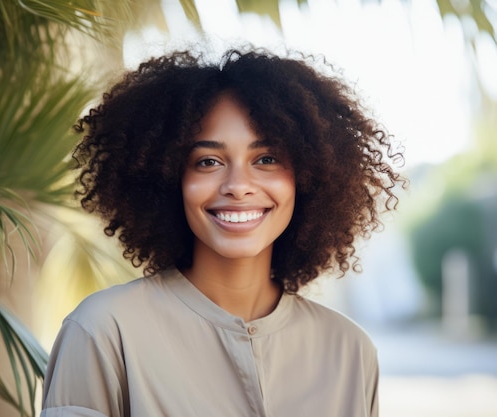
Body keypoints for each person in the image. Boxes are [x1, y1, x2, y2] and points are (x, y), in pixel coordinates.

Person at [40, 48, 405, 417]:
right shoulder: (104, 332)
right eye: (208, 162)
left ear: (309, 177)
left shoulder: (350, 351)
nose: (238, 186)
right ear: (168, 179)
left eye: (266, 159)